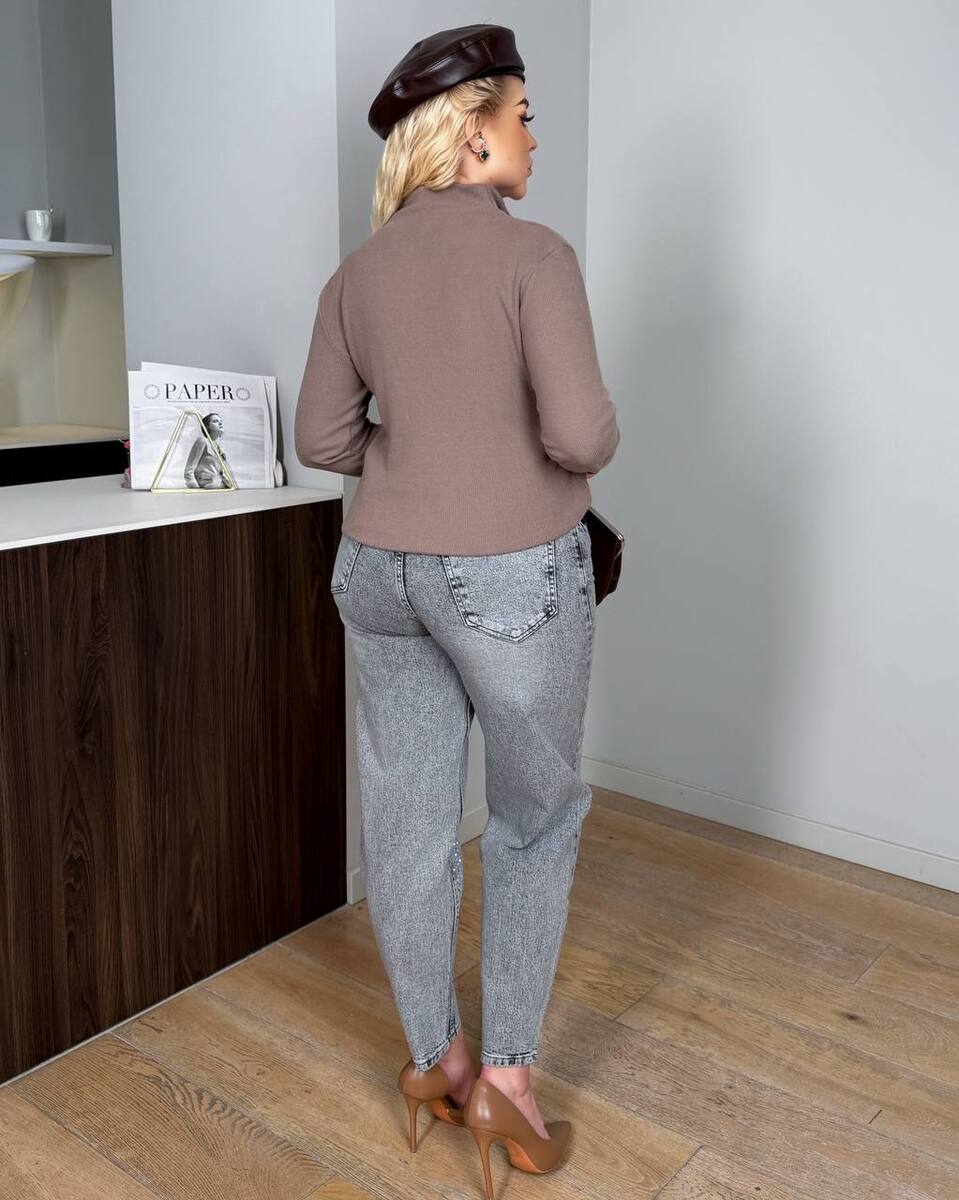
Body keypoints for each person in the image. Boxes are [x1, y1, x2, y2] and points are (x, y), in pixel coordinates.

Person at [293, 23, 619, 1195]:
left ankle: (435, 1058)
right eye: (521, 115)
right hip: (508, 575)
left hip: (379, 570)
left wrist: (416, 450)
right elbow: (580, 435)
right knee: (532, 820)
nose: (533, 135)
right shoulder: (535, 257)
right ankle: (508, 1086)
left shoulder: (356, 275)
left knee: (407, 826)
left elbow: (322, 437)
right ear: (470, 133)